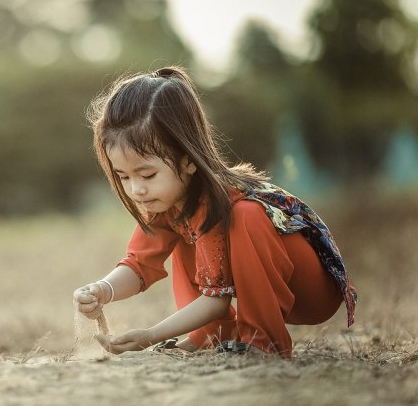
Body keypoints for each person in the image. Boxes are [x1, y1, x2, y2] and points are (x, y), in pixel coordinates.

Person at [73, 66, 357, 358]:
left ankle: (264, 342)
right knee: (186, 235)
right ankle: (212, 335)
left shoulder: (221, 201)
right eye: (123, 177)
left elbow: (215, 302)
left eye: (147, 176)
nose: (136, 190)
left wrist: (151, 335)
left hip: (311, 291)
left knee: (246, 215)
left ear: (188, 160)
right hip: (264, 290)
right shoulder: (164, 204)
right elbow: (138, 266)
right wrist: (103, 290)